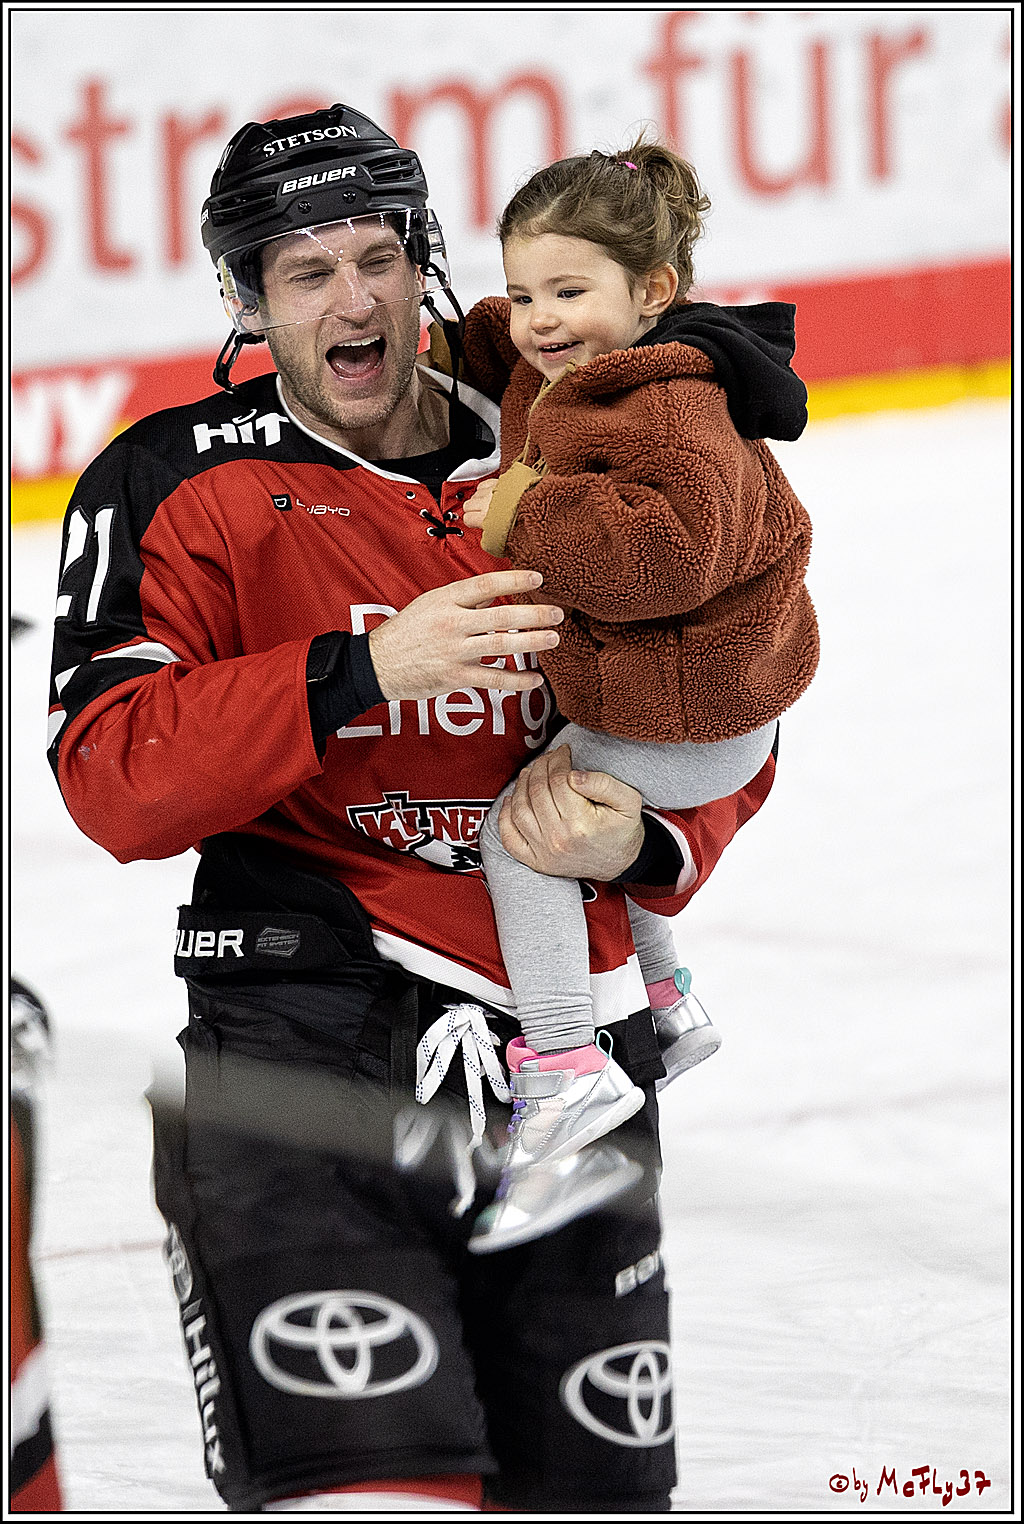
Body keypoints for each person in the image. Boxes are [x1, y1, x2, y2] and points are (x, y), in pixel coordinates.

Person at [47, 104, 778, 1514]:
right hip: (302, 1055)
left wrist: (652, 839)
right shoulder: (174, 481)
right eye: (303, 270)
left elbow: (729, 688)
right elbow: (116, 778)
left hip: (572, 1069)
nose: (352, 297)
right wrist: (363, 670)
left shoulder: (584, 441)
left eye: (375, 255)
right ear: (248, 300)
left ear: (428, 262)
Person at [440, 137, 818, 1251]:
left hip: (697, 711)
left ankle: (563, 1064)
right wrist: (438, 315)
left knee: (524, 837)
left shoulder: (668, 409)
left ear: (651, 293)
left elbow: (666, 559)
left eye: (568, 292)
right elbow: (499, 352)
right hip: (669, 693)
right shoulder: (568, 365)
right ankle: (666, 1000)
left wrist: (519, 514)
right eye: (519, 292)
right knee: (558, 785)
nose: (538, 320)